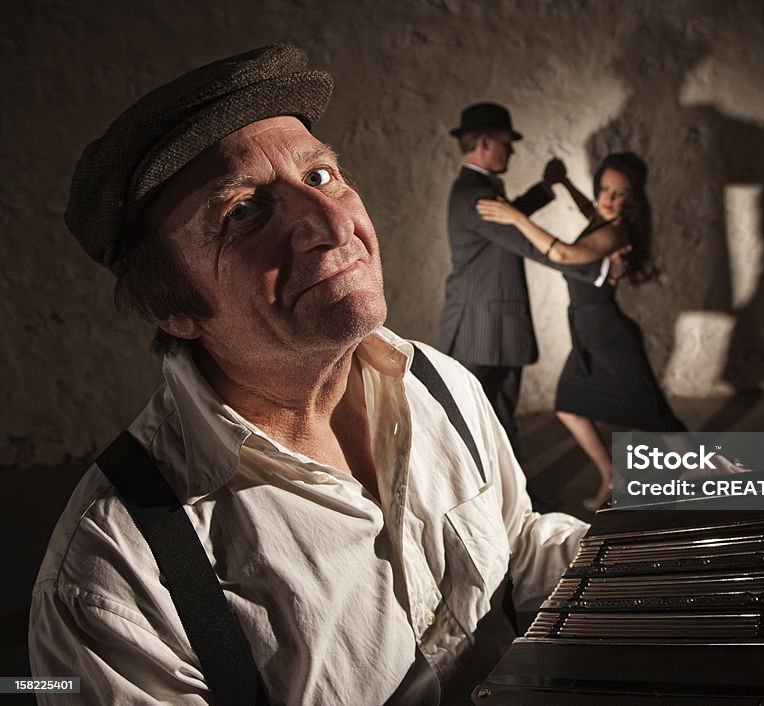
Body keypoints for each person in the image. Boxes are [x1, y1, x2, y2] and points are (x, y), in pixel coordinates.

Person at [29, 45, 588, 705]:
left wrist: (667, 563)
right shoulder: (112, 576)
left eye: (320, 176)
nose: (329, 224)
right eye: (243, 212)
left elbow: (517, 545)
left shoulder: (439, 383)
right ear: (171, 307)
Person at [477, 153, 720, 509]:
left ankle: (708, 475)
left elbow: (563, 254)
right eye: (604, 189)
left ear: (632, 199)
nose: (607, 199)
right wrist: (564, 185)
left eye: (619, 194)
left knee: (655, 416)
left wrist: (516, 217)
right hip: (588, 334)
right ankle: (612, 474)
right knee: (569, 407)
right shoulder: (601, 217)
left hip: (610, 337)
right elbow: (590, 208)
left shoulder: (615, 232)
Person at [439, 103, 624, 461]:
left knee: (501, 418)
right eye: (508, 142)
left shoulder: (478, 189)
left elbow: (511, 221)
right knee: (469, 421)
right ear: (485, 142)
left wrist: (546, 187)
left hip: (494, 325)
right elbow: (528, 244)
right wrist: (597, 269)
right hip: (479, 327)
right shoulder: (475, 195)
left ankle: (519, 496)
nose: (512, 149)